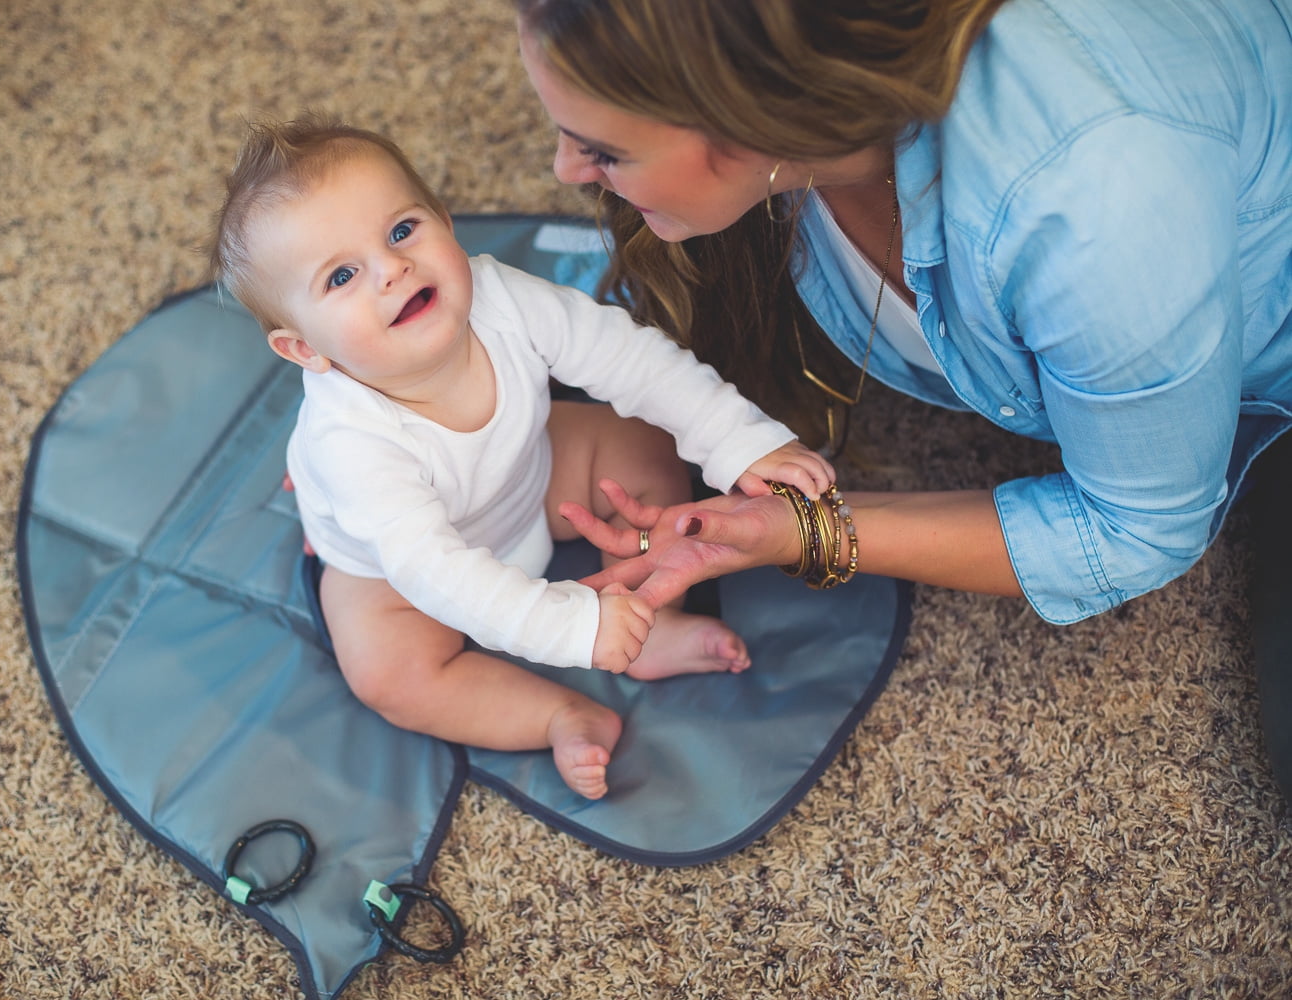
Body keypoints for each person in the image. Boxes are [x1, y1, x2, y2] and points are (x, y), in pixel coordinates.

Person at [514, 0, 1292, 793]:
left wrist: (801, 532)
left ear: (750, 117)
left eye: (603, 152)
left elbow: (1138, 526)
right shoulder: (799, 101)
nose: (565, 172)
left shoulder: (1097, 208)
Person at [207, 114, 836, 798]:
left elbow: (628, 357)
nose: (392, 270)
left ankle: (649, 617)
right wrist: (571, 627)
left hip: (528, 474)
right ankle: (557, 714)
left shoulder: (500, 297)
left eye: (401, 230)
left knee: (641, 440)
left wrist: (738, 439)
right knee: (389, 677)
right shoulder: (350, 444)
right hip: (398, 577)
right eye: (342, 277)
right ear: (305, 349)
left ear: (444, 222)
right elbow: (435, 571)